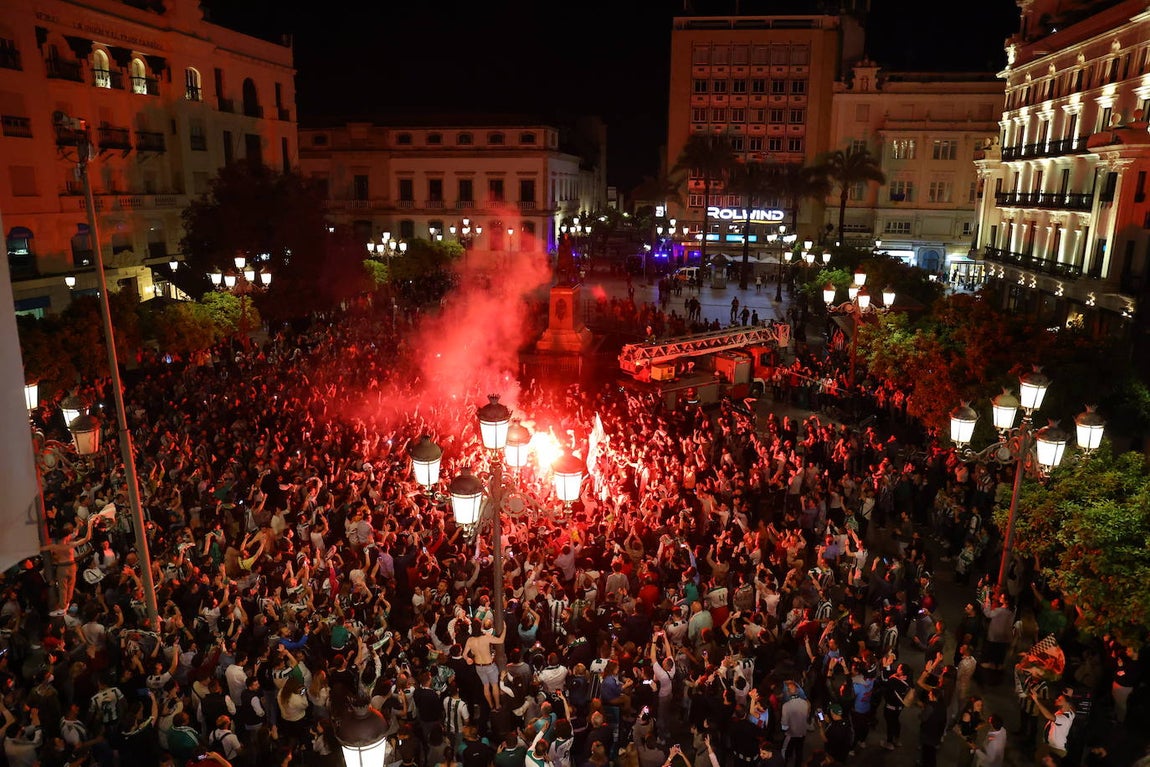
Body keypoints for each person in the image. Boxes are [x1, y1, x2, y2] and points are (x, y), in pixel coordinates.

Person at [40, 516, 96, 612]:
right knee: (69, 588)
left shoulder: (55, 546)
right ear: (66, 536)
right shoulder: (70, 544)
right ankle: (64, 606)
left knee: (64, 588)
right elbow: (87, 538)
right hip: (71, 566)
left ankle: (63, 606)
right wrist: (90, 525)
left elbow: (41, 549)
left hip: (63, 567)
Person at [464, 621, 507, 710]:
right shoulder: (486, 638)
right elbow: (501, 640)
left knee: (486, 686)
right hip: (489, 665)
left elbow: (464, 654)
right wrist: (505, 629)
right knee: (494, 685)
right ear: (480, 627)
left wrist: (467, 659)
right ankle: (498, 705)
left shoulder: (470, 640)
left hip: (478, 666)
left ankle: (491, 706)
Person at [1032, 689, 1075, 765]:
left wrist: (1036, 701)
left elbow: (1048, 715)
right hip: (1052, 746)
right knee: (1038, 756)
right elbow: (1072, 707)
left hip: (1055, 749)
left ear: (1067, 704)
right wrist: (1069, 696)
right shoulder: (1070, 712)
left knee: (1041, 760)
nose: (1057, 700)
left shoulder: (1064, 719)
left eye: (1060, 700)